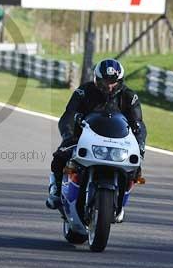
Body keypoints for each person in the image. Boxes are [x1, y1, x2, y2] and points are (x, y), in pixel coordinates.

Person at [45, 59, 147, 216]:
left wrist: (140, 146)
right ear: (97, 79)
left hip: (118, 142)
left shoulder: (129, 97)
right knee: (60, 155)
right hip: (85, 137)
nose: (109, 86)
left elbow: (138, 125)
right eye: (105, 81)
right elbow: (68, 116)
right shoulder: (83, 92)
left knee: (135, 168)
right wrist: (69, 136)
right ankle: (56, 190)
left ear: (120, 81)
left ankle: (121, 198)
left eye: (113, 82)